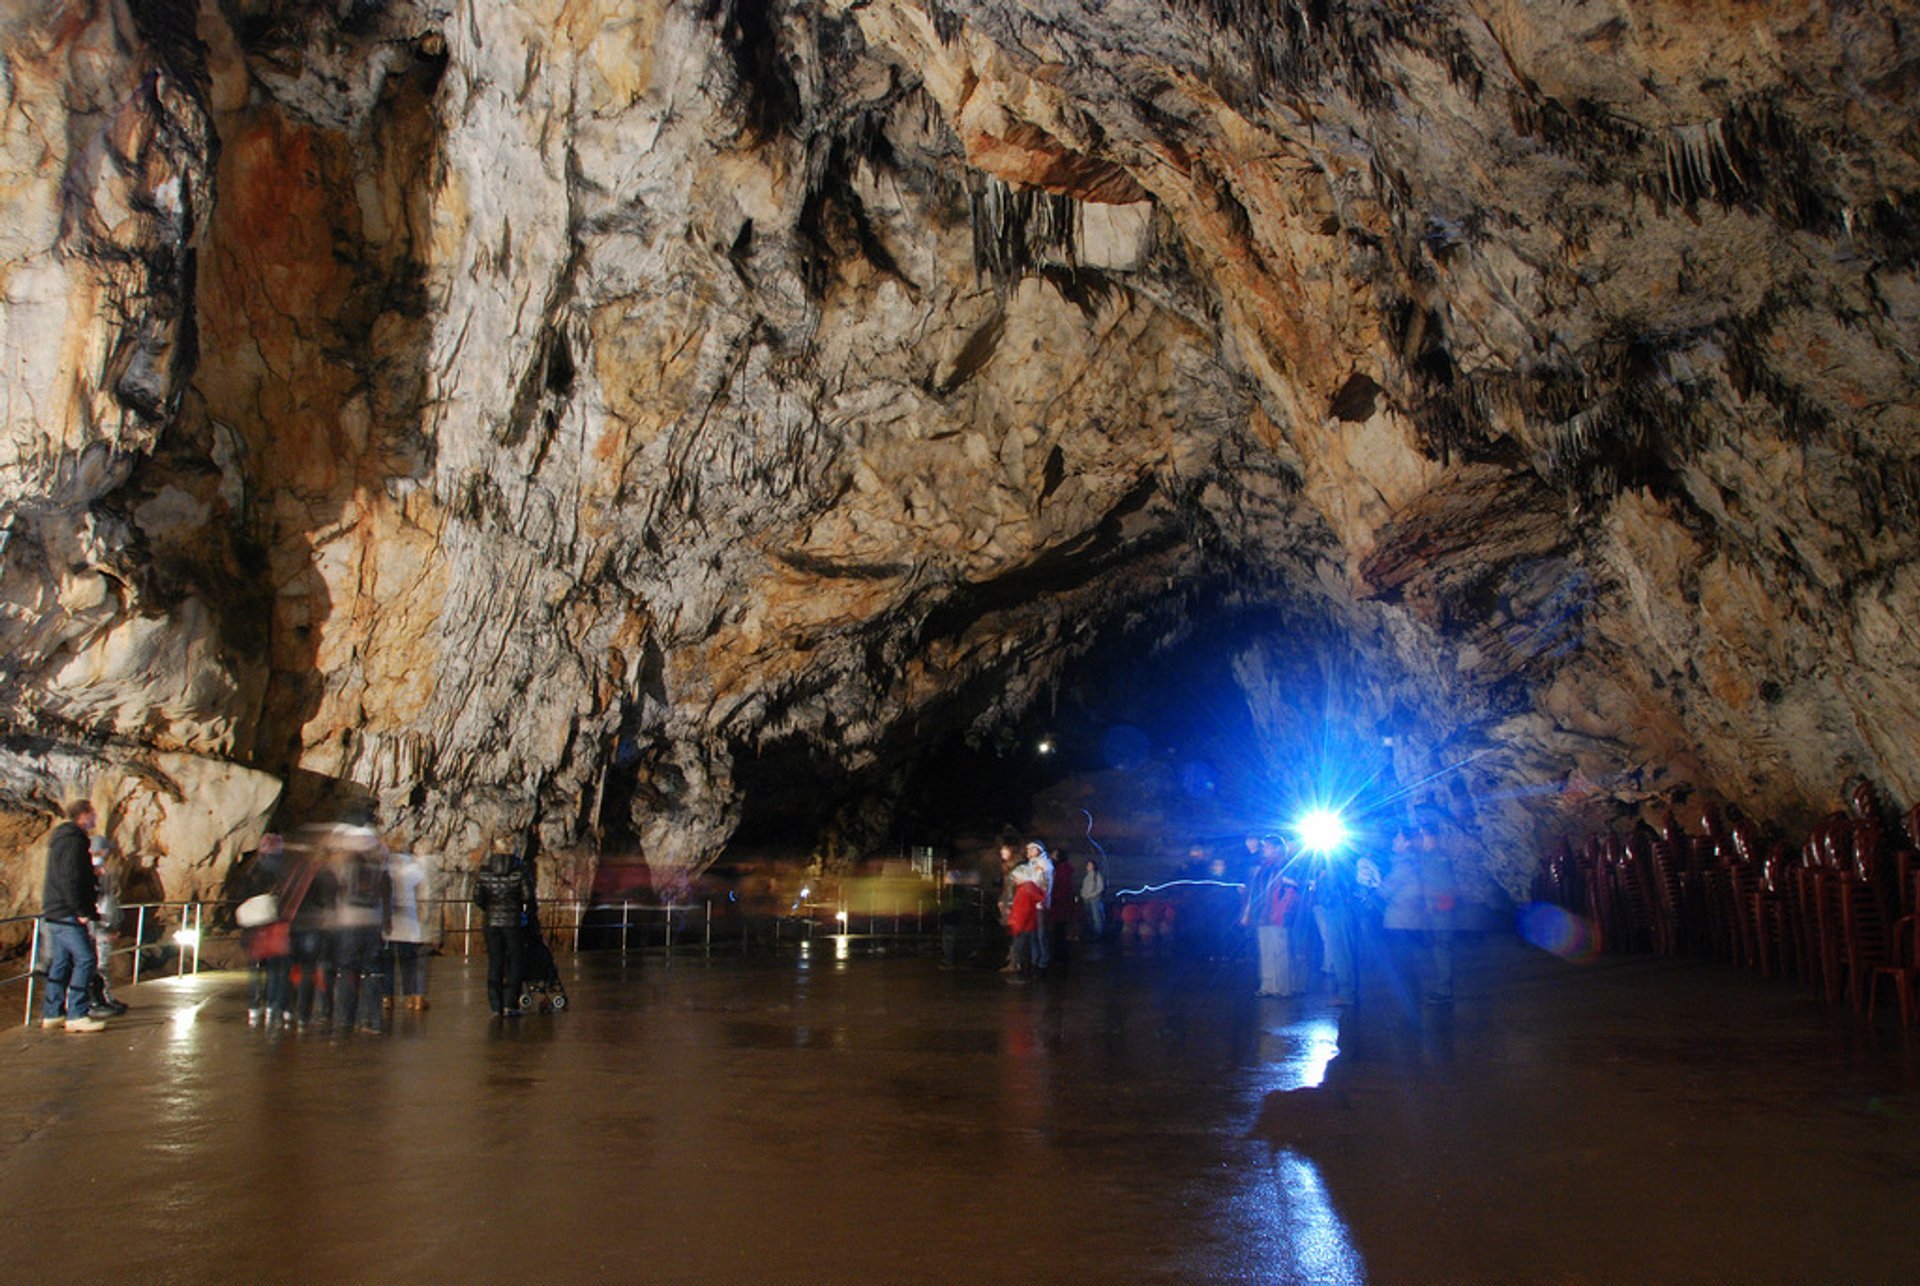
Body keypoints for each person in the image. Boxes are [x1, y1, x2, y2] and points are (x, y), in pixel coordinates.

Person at [40, 800, 107, 1032]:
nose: (95, 818)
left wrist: (91, 873)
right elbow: (70, 878)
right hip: (67, 912)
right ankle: (77, 1013)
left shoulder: (62, 839)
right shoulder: (73, 841)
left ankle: (53, 1013)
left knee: (60, 962)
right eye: (93, 814)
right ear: (84, 816)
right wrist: (82, 911)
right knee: (86, 959)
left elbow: (69, 874)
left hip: (55, 910)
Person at [1382, 819, 1458, 1005]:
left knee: (1442, 949)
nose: (1420, 839)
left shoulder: (1437, 857)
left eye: (1423, 835)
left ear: (1431, 837)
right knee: (1437, 950)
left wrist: (1436, 906)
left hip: (1440, 912)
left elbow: (1446, 885)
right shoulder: (1425, 858)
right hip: (1432, 912)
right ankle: (1440, 987)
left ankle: (1444, 989)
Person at [474, 837, 535, 1016]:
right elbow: (527, 895)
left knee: (495, 961)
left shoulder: (484, 872)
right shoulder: (519, 871)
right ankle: (510, 1003)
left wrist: (490, 908)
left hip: (491, 922)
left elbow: (477, 898)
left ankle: (495, 1004)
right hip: (512, 921)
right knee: (516, 960)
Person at [1242, 834, 1302, 998]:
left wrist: (1283, 910)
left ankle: (1282, 987)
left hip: (1278, 914)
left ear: (1276, 848)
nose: (1263, 849)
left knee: (1279, 950)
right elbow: (1256, 891)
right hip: (1263, 913)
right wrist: (1251, 911)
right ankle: (1268, 985)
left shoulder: (1285, 865)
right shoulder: (1263, 867)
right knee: (1266, 950)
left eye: (1266, 846)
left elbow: (1293, 890)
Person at [241, 833, 292, 1025]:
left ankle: (254, 1006)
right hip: (273, 925)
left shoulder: (252, 870)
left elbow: (242, 895)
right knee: (275, 968)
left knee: (255, 969)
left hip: (254, 927)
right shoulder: (281, 870)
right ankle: (273, 1005)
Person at [385, 848, 433, 1011]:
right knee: (409, 962)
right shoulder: (411, 869)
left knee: (388, 962)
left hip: (389, 922)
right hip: (408, 922)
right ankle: (412, 997)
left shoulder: (386, 868)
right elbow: (423, 886)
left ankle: (387, 997)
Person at [87, 835, 129, 1016]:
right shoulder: (94, 872)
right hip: (98, 926)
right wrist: (103, 928)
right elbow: (101, 902)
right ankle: (97, 999)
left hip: (102, 924)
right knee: (99, 965)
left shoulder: (101, 871)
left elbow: (110, 900)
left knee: (100, 965)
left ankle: (103, 997)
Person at [1006, 866, 1045, 982]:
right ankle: (1027, 974)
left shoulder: (1024, 891)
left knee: (1021, 950)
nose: (1014, 880)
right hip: (1029, 925)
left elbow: (1023, 911)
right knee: (1025, 950)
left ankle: (1022, 976)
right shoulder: (1031, 888)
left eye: (1016, 877)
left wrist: (1016, 926)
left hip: (1022, 926)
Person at [1023, 842, 1054, 971]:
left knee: (1041, 932)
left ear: (1037, 850)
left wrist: (1041, 899)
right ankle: (1035, 958)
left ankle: (1044, 958)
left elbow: (1044, 884)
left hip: (1040, 903)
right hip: (1031, 902)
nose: (1028, 852)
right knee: (1033, 932)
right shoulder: (1032, 864)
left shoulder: (1045, 865)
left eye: (1031, 849)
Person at [1080, 855, 1107, 940]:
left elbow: (1101, 887)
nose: (1089, 867)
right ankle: (1092, 933)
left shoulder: (1097, 875)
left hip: (1095, 899)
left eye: (1090, 865)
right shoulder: (1086, 877)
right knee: (1090, 917)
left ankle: (1098, 934)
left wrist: (1093, 894)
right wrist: (1083, 895)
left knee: (1097, 917)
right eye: (1088, 865)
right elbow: (1084, 887)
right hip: (1087, 899)